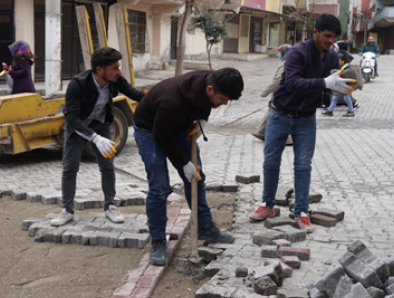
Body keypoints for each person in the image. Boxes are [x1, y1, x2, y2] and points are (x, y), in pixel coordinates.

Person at [247, 14, 354, 232]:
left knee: (303, 165)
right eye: (326, 36)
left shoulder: (333, 57)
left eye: (333, 38)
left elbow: (329, 84)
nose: (330, 41)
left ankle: (302, 213)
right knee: (270, 162)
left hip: (306, 119)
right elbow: (293, 82)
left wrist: (341, 86)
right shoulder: (297, 52)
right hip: (279, 115)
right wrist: (324, 82)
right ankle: (267, 205)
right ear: (315, 33)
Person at [132, 67, 244, 266]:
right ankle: (158, 240)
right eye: (223, 99)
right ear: (210, 89)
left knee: (196, 179)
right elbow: (161, 136)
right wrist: (184, 163)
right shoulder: (174, 102)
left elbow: (206, 105)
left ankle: (204, 226)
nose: (225, 103)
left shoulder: (212, 78)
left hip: (178, 126)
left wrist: (202, 119)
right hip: (150, 130)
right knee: (159, 187)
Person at [50, 47, 145, 228]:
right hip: (77, 128)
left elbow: (135, 94)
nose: (119, 71)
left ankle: (110, 206)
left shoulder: (115, 80)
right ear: (100, 70)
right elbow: (71, 118)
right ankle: (67, 211)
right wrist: (95, 138)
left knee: (108, 167)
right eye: (114, 68)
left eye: (119, 67)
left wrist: (160, 100)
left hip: (101, 124)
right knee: (69, 168)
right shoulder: (78, 84)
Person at [252, 62, 284, 141]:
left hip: (281, 94)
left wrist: (265, 92)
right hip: (283, 94)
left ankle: (262, 133)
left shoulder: (286, 63)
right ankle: (261, 132)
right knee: (272, 111)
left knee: (274, 112)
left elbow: (278, 80)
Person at [322, 53, 355, 117]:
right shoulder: (343, 66)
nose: (337, 62)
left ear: (343, 61)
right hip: (342, 85)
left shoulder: (346, 67)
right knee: (335, 97)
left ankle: (350, 111)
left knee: (347, 98)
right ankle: (330, 111)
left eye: (338, 61)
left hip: (345, 85)